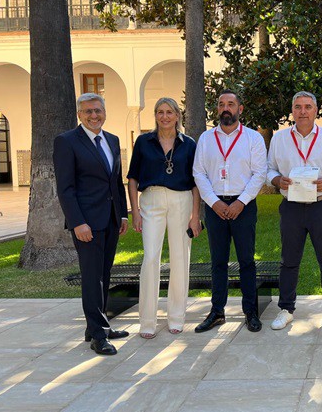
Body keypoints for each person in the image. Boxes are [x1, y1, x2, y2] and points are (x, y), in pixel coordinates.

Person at [53, 93, 129, 356]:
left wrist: (122, 215)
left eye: (97, 110)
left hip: (110, 220)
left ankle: (99, 326)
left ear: (104, 112)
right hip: (87, 223)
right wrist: (78, 223)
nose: (93, 116)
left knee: (104, 275)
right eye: (88, 112)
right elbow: (65, 188)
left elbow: (115, 182)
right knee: (91, 278)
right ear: (79, 114)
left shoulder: (112, 140)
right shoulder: (66, 142)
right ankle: (98, 335)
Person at [267, 91, 322, 331]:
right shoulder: (279, 139)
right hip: (291, 207)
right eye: (298, 107)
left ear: (316, 110)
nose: (303, 111)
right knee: (289, 260)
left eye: (308, 107)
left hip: (321, 205)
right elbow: (268, 169)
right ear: (292, 110)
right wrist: (277, 181)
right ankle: (286, 308)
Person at [192, 89, 267, 333]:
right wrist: (213, 202)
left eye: (231, 104)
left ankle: (250, 311)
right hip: (215, 206)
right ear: (217, 109)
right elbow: (199, 173)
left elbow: (260, 174)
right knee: (218, 262)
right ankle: (217, 311)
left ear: (240, 109)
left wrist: (240, 202)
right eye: (222, 104)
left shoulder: (253, 138)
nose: (226, 108)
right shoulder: (205, 138)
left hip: (242, 205)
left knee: (246, 261)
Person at [127, 97, 200, 339]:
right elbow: (133, 178)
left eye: (170, 112)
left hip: (181, 200)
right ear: (155, 116)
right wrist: (135, 211)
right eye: (160, 112)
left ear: (178, 116)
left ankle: (176, 317)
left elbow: (196, 183)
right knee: (150, 258)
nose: (165, 116)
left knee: (180, 258)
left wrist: (195, 215)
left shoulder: (188, 144)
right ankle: (147, 321)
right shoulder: (143, 142)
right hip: (151, 200)